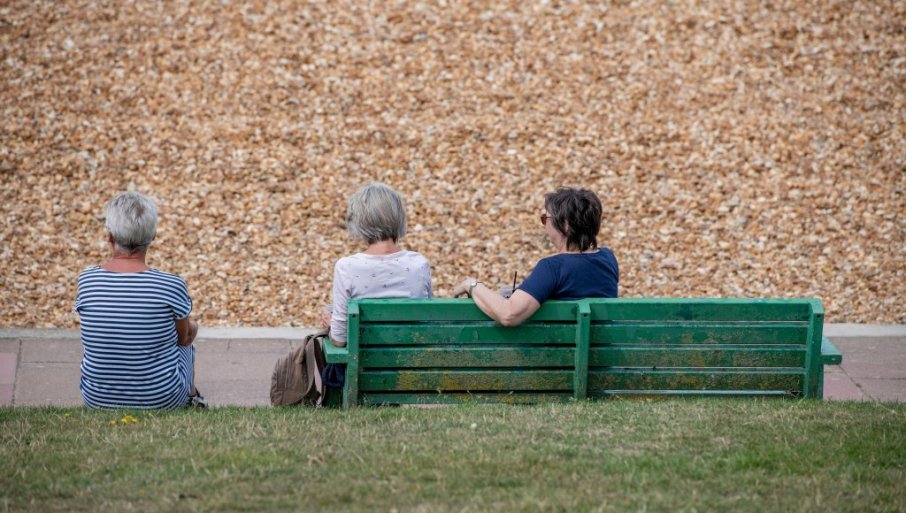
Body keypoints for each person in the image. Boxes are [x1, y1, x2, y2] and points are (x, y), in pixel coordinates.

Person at [75, 192, 206, 409]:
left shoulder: (87, 279)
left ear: (109, 237)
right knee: (188, 339)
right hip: (163, 400)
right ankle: (192, 397)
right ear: (153, 236)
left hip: (96, 399)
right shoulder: (171, 284)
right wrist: (192, 328)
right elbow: (183, 338)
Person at [453, 187, 618, 326]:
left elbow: (508, 315)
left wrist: (472, 285)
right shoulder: (607, 258)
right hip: (601, 351)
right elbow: (577, 286)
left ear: (566, 225)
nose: (544, 224)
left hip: (560, 353)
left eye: (545, 218)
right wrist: (529, 291)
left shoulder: (552, 267)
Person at [320, 183, 432, 385]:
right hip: (408, 371)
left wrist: (331, 323)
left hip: (363, 375)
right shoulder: (419, 264)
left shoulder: (347, 267)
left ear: (359, 220)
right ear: (399, 217)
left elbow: (339, 340)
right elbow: (425, 325)